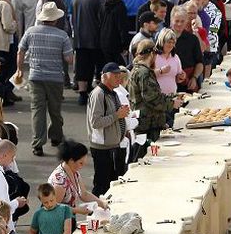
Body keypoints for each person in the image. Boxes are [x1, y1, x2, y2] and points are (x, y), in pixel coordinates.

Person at [17, 1, 73, 157]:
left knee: (37, 111)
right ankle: (56, 137)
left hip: (35, 77)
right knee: (55, 110)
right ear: (55, 19)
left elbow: (20, 51)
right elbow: (69, 59)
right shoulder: (62, 35)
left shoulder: (30, 32)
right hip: (55, 78)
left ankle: (37, 144)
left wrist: (19, 70)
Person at [128, 40, 179, 152]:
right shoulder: (144, 73)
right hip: (147, 125)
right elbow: (152, 99)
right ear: (152, 54)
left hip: (144, 123)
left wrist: (170, 97)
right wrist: (172, 103)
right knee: (147, 157)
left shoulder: (137, 70)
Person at [87, 62, 129, 196]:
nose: (119, 78)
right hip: (102, 148)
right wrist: (118, 115)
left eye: (120, 76)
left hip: (112, 146)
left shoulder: (113, 93)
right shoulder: (99, 94)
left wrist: (122, 114)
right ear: (104, 77)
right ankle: (95, 213)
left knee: (111, 184)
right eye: (115, 76)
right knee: (102, 186)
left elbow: (114, 115)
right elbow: (96, 122)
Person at [49, 139, 110, 219]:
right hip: (57, 220)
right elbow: (54, 208)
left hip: (68, 216)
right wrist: (78, 210)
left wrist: (101, 203)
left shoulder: (74, 172)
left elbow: (83, 194)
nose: (82, 166)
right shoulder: (60, 181)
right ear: (71, 160)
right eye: (80, 163)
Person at [71, 0, 104, 105]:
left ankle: (82, 92)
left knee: (81, 66)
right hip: (94, 38)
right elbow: (100, 18)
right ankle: (92, 91)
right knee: (93, 65)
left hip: (79, 39)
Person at [154, 28, 184, 96]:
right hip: (155, 98)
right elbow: (146, 75)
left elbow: (178, 78)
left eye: (173, 43)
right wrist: (160, 71)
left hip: (171, 97)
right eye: (168, 42)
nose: (171, 45)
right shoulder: (153, 56)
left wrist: (181, 77)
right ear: (162, 41)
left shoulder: (175, 57)